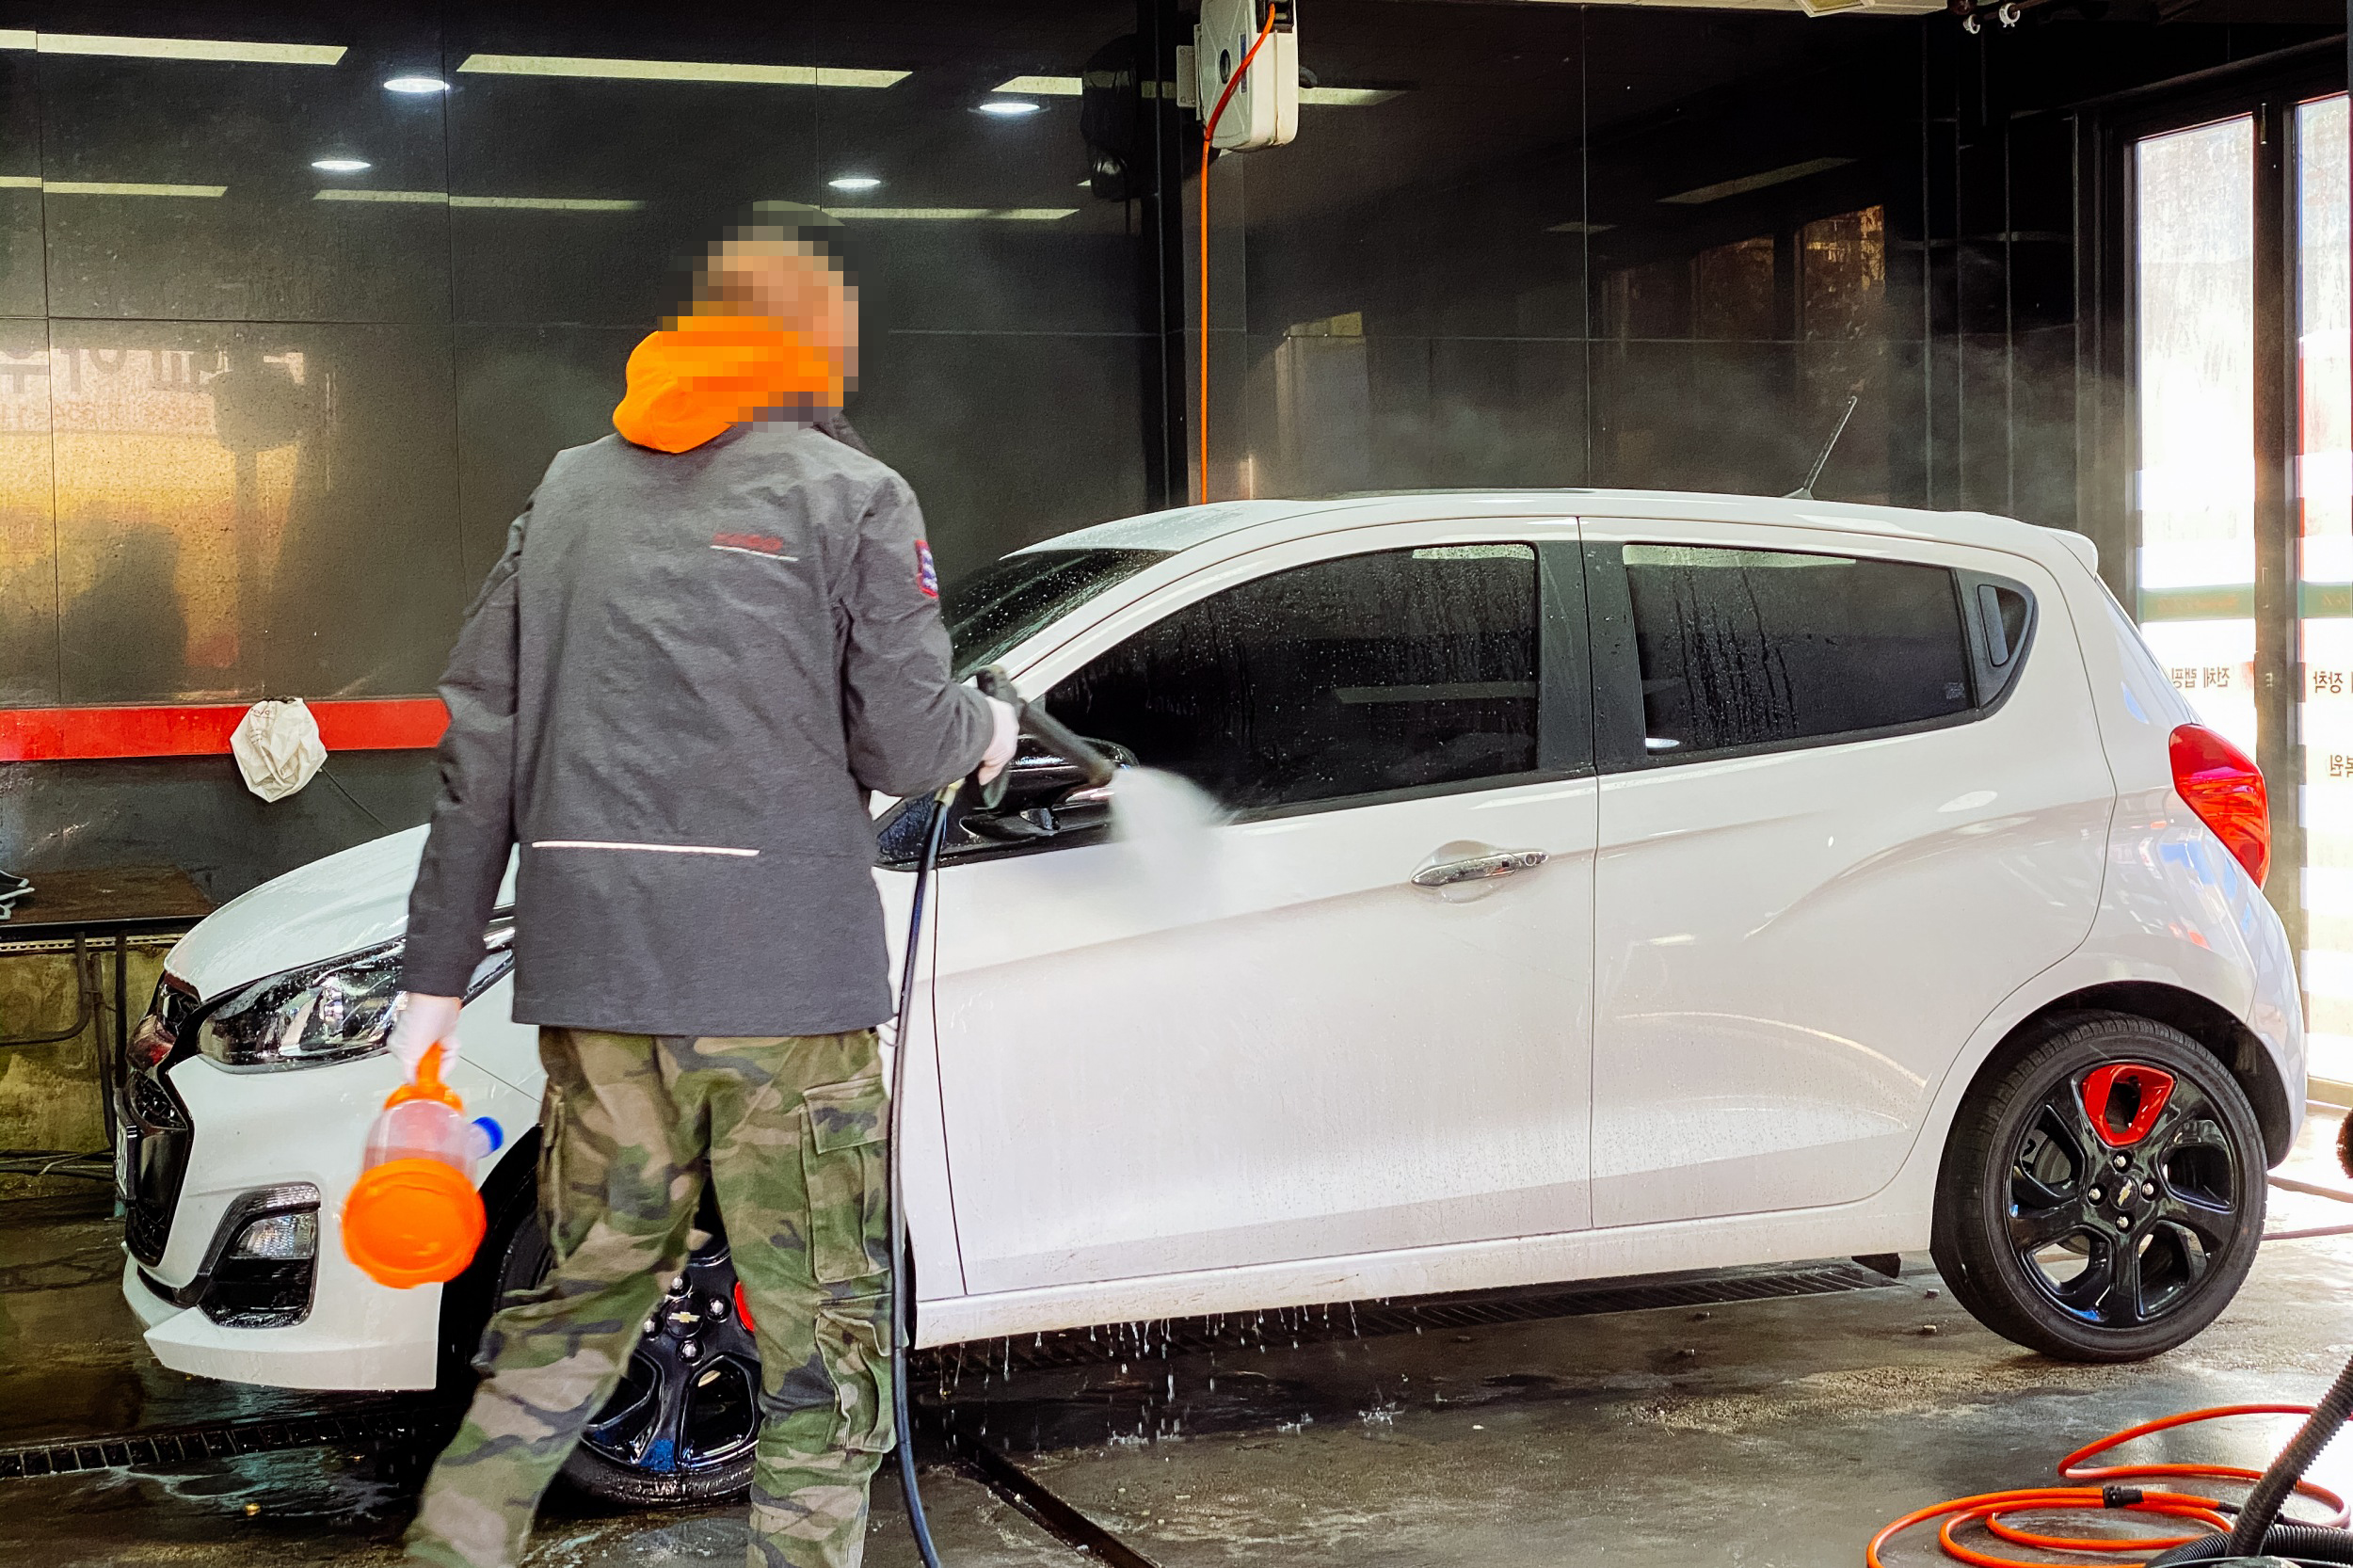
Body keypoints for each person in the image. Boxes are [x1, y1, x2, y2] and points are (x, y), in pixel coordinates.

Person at [389, 227, 1017, 1568]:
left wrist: (429, 989)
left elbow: (479, 750)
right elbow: (911, 740)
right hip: (786, 995)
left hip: (599, 988)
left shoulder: (565, 491)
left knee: (573, 1311)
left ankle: (453, 1549)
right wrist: (988, 729)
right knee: (824, 1340)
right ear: (809, 343)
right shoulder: (855, 493)